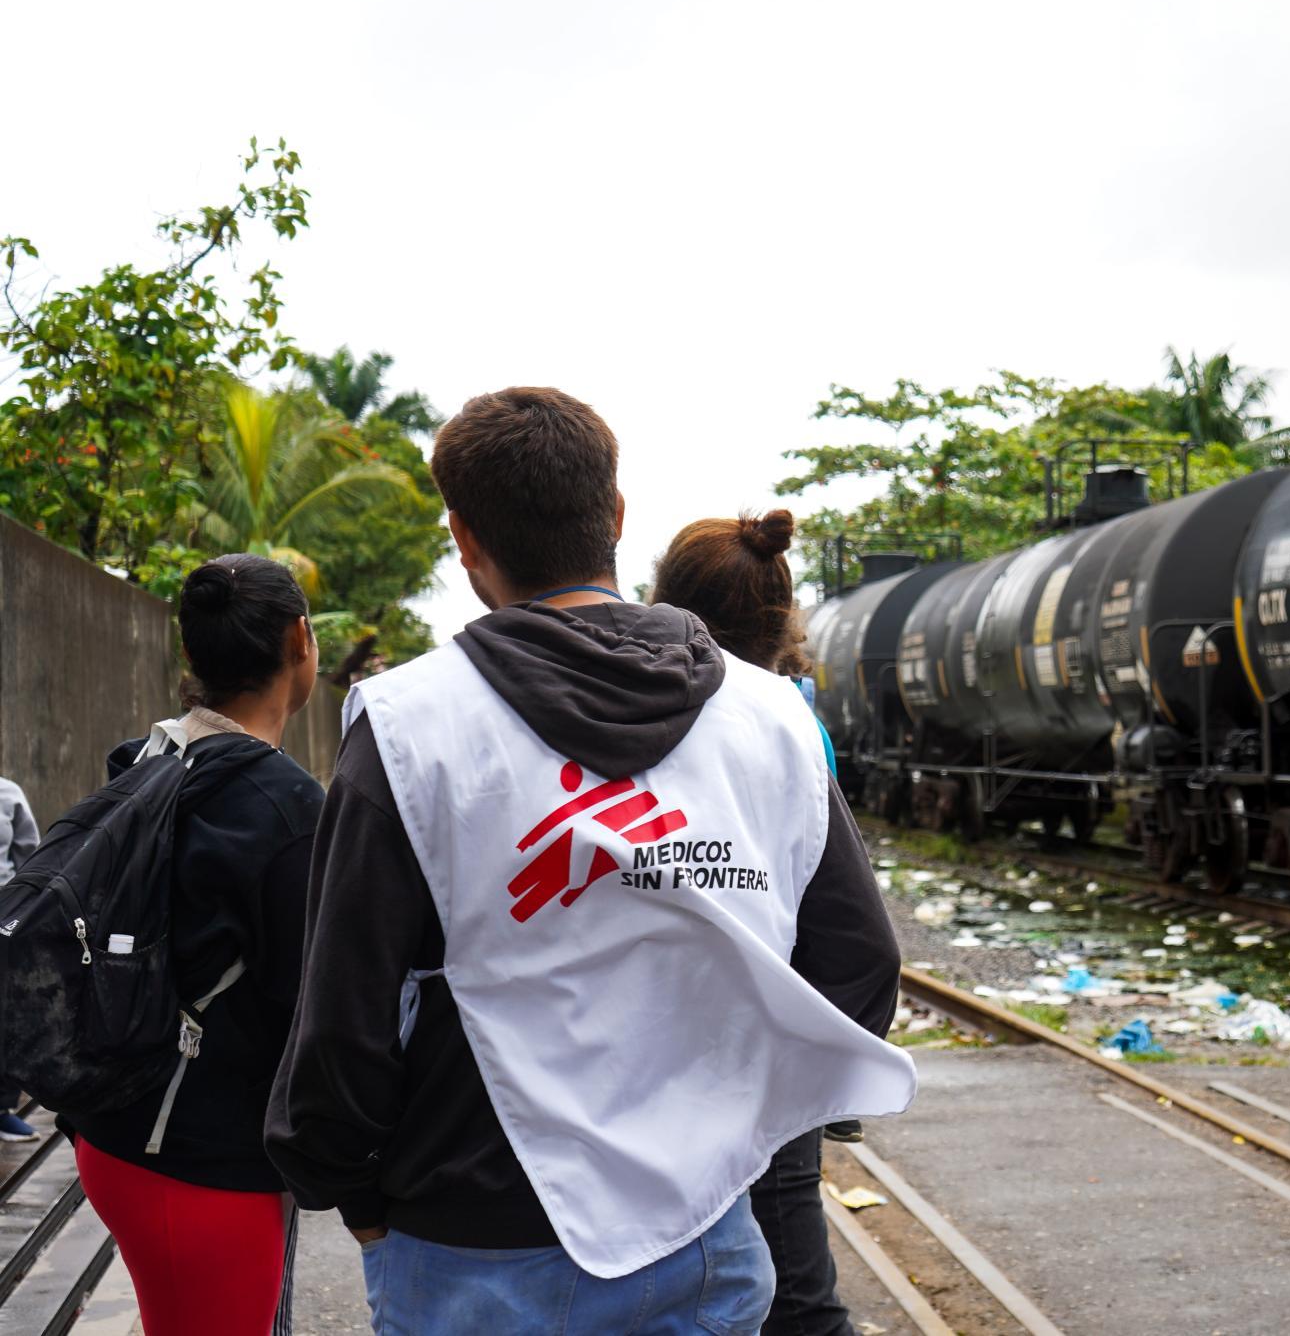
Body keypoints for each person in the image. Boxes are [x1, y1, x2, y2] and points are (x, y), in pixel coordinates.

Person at [267, 388, 915, 1333]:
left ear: (464, 541)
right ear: (615, 516)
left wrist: (355, 1198)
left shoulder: (409, 727)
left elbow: (344, 1015)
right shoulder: (774, 719)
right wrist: (723, 1131)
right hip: (706, 1239)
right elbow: (859, 972)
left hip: (471, 1243)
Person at [651, 510, 901, 1336]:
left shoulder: (640, 713)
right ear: (782, 613)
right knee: (797, 1290)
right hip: (765, 1052)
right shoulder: (796, 722)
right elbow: (859, 942)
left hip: (653, 1051)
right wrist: (827, 1078)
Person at [69, 554, 323, 1336]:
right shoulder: (287, 810)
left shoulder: (143, 761)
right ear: (300, 641)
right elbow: (308, 1008)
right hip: (205, 1166)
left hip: (111, 1134)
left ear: (192, 656)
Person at [0, 773, 41, 1143]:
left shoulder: (8, 793)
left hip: (2, 918)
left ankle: (1, 1109)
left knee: (7, 1014)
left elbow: (30, 857)